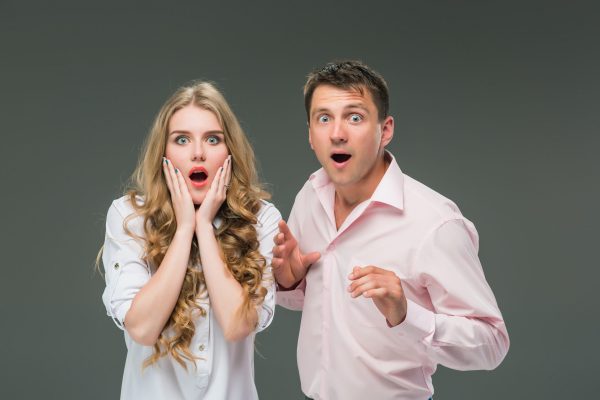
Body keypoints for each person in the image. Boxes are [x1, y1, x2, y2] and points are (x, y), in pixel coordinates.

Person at [272, 61, 510, 400]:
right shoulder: (310, 196)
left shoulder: (435, 223)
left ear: (385, 130)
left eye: (355, 117)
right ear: (310, 134)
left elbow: (492, 343)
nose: (337, 133)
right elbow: (317, 303)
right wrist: (290, 280)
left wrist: (405, 314)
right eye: (324, 118)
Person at [100, 81, 281, 399]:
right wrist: (184, 231)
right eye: (181, 140)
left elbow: (238, 326)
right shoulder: (129, 216)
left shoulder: (262, 219)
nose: (198, 153)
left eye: (213, 139)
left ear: (229, 152)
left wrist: (204, 227)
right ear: (164, 153)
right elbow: (142, 329)